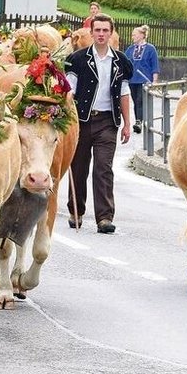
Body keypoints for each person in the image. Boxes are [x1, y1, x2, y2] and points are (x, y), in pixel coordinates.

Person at [63, 14, 132, 234]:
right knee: (79, 166)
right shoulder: (78, 59)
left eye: (105, 30)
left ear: (111, 33)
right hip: (81, 120)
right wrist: (65, 117)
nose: (101, 34)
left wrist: (128, 123)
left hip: (107, 121)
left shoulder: (121, 61)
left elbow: (124, 92)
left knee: (104, 168)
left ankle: (104, 217)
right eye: (97, 30)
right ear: (91, 32)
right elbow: (69, 91)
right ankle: (77, 211)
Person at [124, 25, 159, 134]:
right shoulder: (130, 49)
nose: (132, 36)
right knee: (135, 101)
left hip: (145, 80)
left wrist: (154, 81)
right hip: (132, 80)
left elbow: (155, 65)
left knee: (140, 100)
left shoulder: (150, 49)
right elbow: (124, 63)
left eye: (134, 34)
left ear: (142, 35)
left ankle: (139, 121)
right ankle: (138, 120)